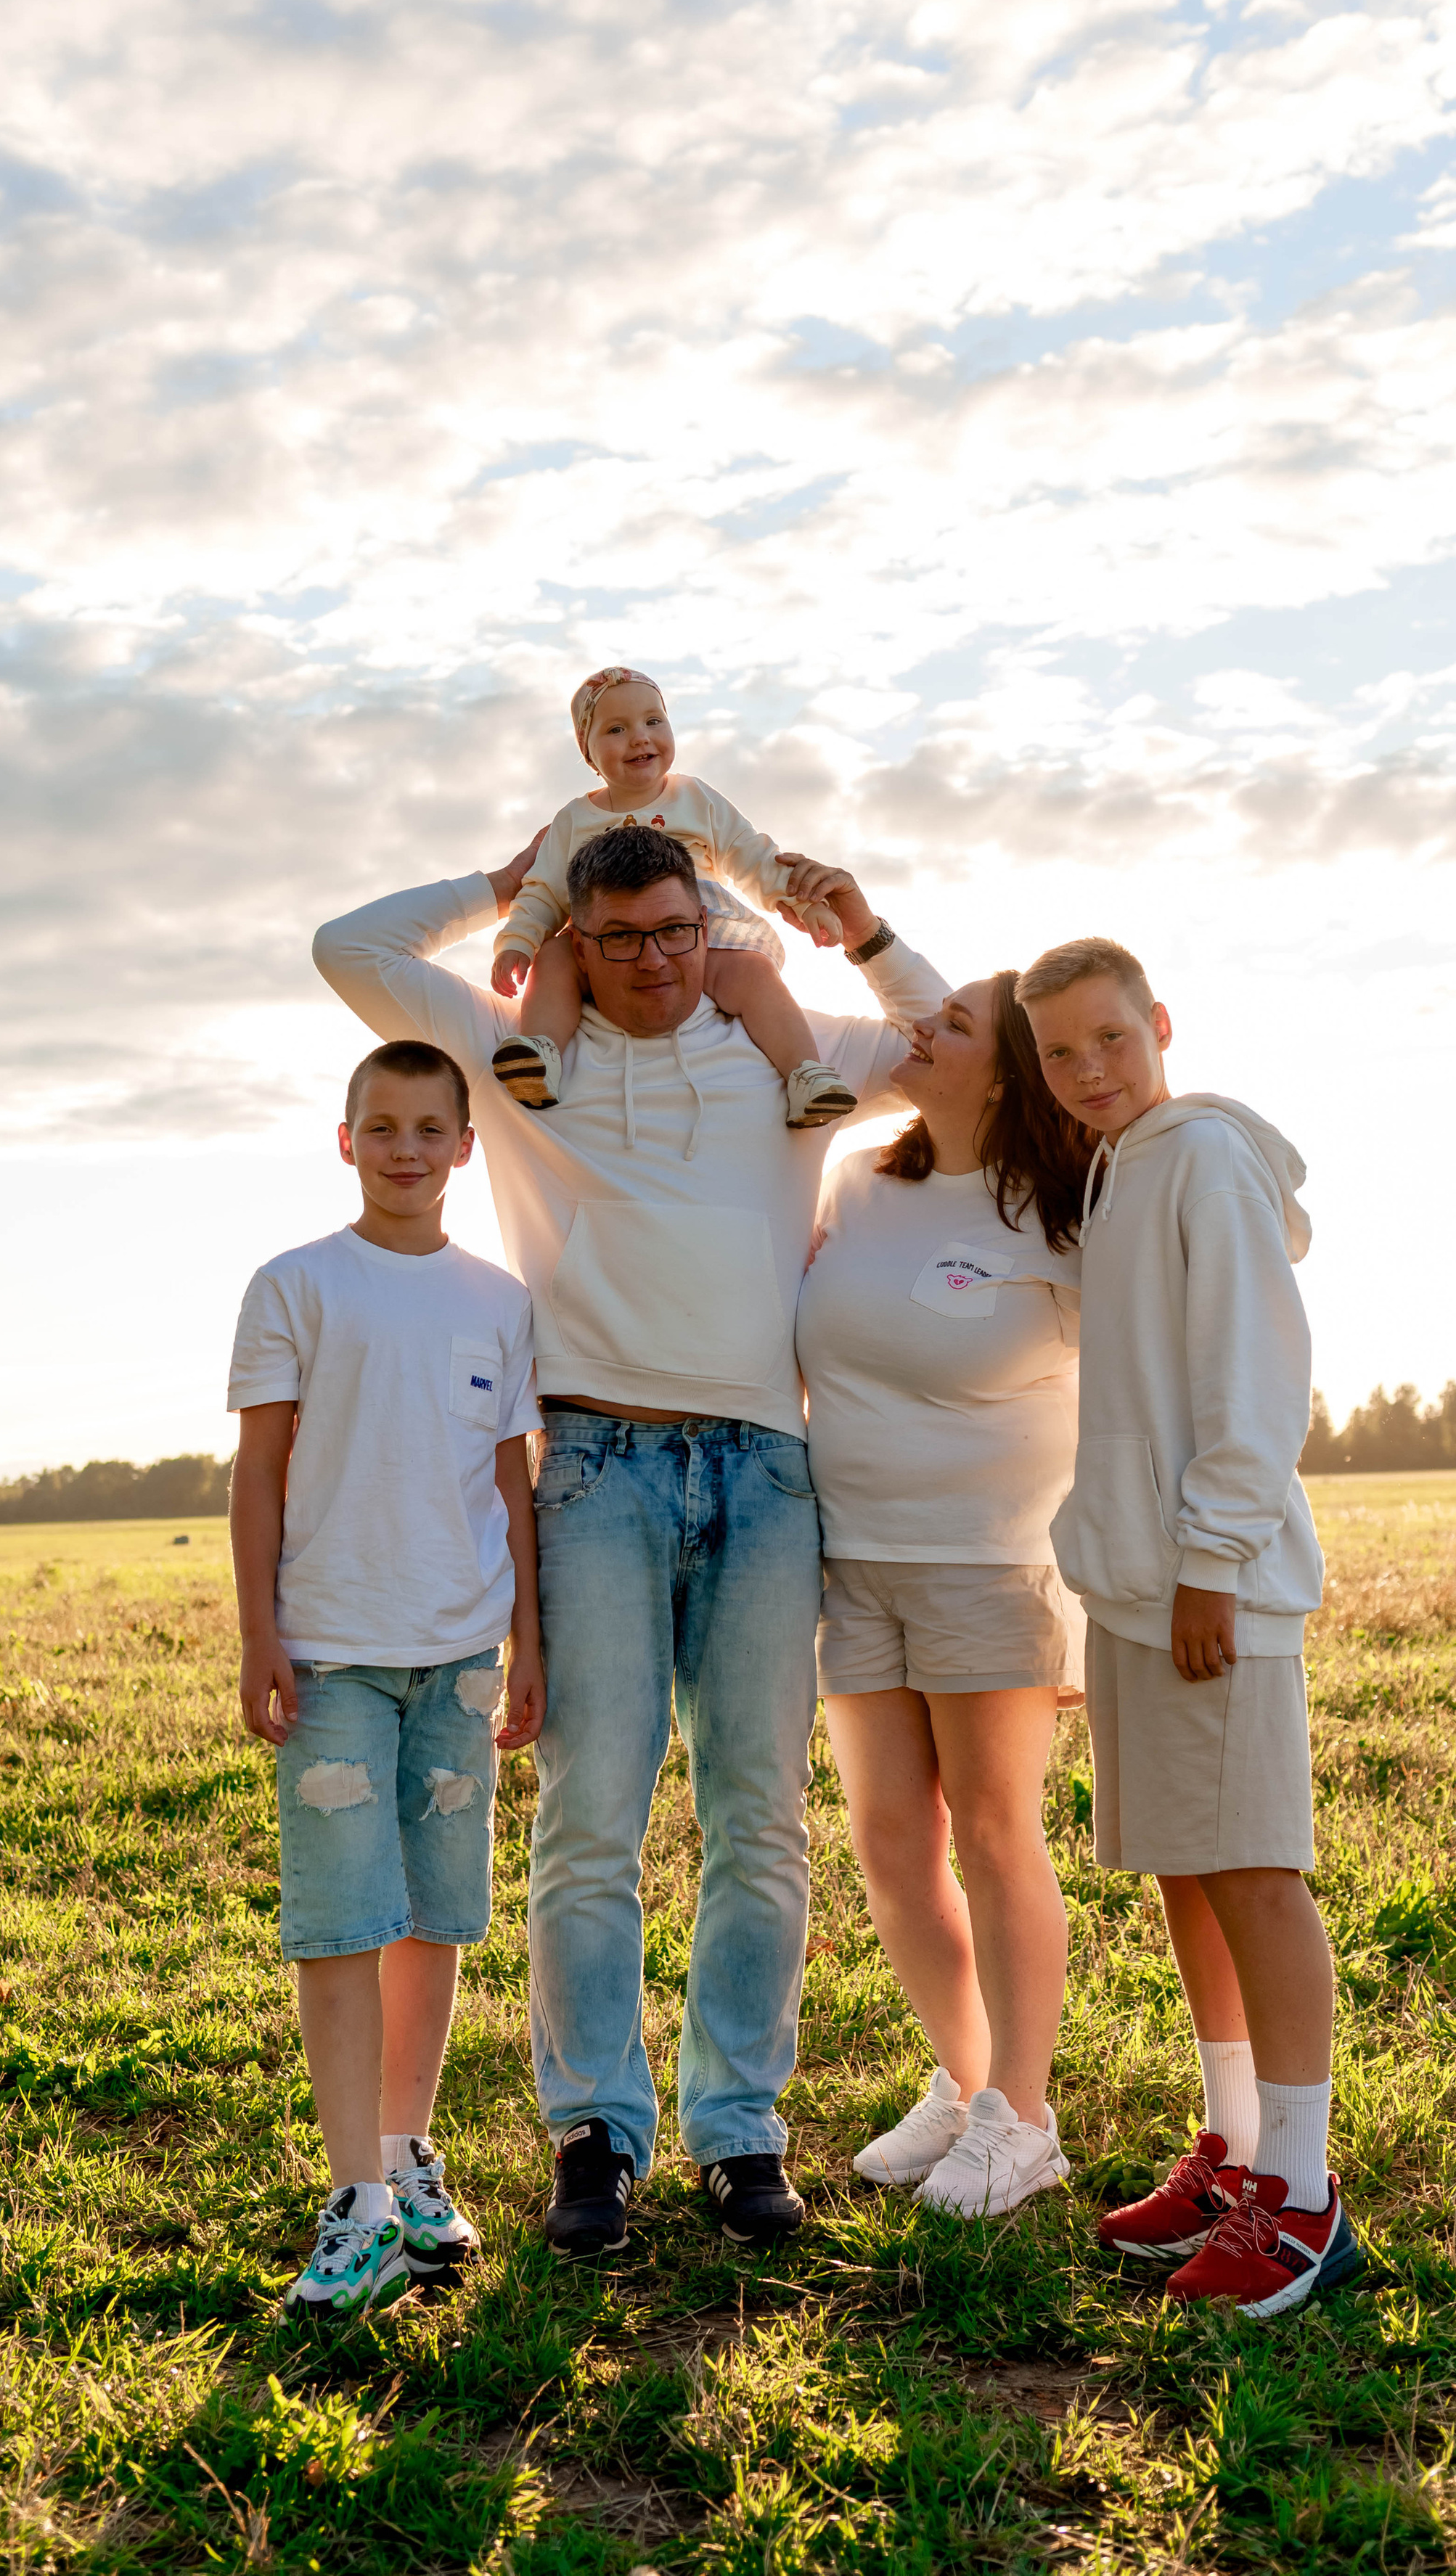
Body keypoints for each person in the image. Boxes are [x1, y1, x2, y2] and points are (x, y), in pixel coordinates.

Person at [312, 818, 949, 2256]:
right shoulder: (521, 1057)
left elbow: (956, 1037)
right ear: (575, 947)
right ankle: (592, 2133)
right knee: (588, 1817)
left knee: (758, 1817)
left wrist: (855, 929)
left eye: (678, 931)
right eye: (622, 939)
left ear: (710, 930)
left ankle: (739, 2131)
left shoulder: (784, 1055)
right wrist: (504, 885)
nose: (655, 962)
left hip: (766, 1468)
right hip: (593, 1463)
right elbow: (343, 950)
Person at [1018, 937, 1359, 2318]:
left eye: (1111, 1038)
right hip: (1140, 1589)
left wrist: (1213, 1557)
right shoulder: (1116, 1168)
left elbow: (1259, 1371)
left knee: (1257, 1871)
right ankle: (1234, 2151)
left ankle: (1305, 2195)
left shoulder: (1205, 1155)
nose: (1090, 1069)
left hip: (1212, 1584)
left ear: (1160, 1025)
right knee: (1187, 1868)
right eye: (1061, 1053)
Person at [227, 1038, 545, 2315]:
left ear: (466, 1148)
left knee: (432, 1916)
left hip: (462, 1656)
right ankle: (354, 2199)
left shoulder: (497, 1300)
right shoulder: (297, 1285)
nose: (407, 1148)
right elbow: (257, 1473)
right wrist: (260, 1632)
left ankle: (411, 2155)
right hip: (333, 1654)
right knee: (342, 1922)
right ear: (345, 1138)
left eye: (431, 1128)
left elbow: (512, 1484)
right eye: (384, 1126)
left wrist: (532, 1641)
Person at [798, 975, 1094, 2218]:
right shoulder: (856, 1178)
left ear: (1009, 1068)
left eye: (953, 1023)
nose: (919, 1032)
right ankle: (972, 2084)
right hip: (849, 1560)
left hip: (992, 1562)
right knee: (891, 1844)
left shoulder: (1068, 1217)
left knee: (990, 1829)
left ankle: (1022, 2116)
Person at [487, 666, 856, 1128]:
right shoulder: (574, 819)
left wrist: (804, 902)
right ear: (589, 752)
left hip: (700, 922)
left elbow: (753, 855)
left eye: (653, 721)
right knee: (556, 959)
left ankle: (806, 1073)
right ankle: (541, 1053)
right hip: (609, 934)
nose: (639, 738)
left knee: (752, 973)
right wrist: (518, 942)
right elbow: (543, 891)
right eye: (616, 729)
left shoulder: (694, 797)